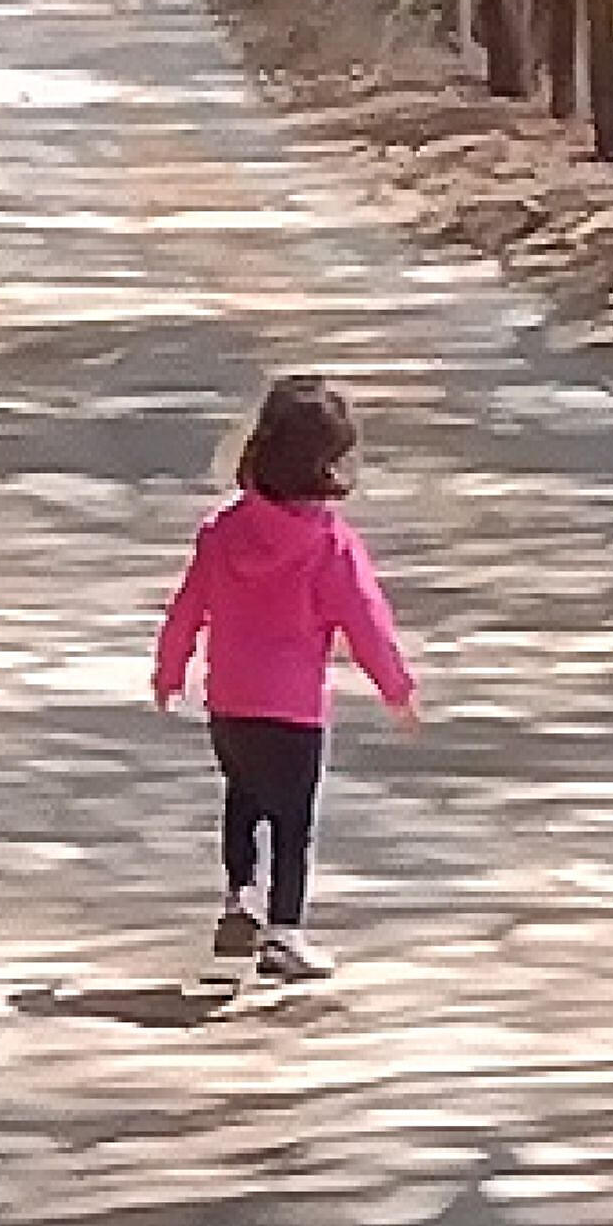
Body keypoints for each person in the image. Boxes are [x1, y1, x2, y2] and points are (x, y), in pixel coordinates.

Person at [152, 373, 418, 982]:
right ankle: (284, 931)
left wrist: (170, 672)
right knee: (293, 823)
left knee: (243, 797)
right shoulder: (330, 545)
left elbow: (187, 608)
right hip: (293, 711)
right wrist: (396, 690)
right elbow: (366, 622)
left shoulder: (222, 531)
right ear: (328, 464)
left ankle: (240, 892)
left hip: (230, 705)